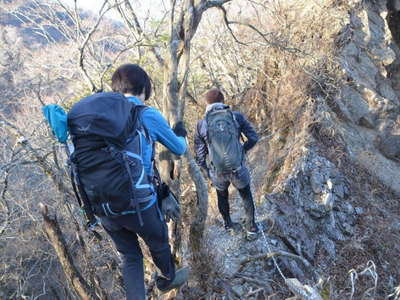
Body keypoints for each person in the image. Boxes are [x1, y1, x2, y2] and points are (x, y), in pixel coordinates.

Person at [101, 64, 189, 300]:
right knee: (158, 240)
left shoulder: (100, 115)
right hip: (138, 204)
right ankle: (167, 278)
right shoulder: (145, 114)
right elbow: (179, 148)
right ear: (144, 88)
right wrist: (181, 133)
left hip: (103, 207)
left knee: (130, 257)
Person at [194, 88, 259, 239]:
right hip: (238, 167)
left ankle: (228, 225)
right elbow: (253, 138)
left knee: (222, 196)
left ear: (206, 104)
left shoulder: (201, 124)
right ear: (223, 101)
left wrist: (207, 172)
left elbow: (200, 155)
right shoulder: (236, 117)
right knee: (246, 195)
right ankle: (251, 228)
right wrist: (242, 151)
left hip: (217, 171)